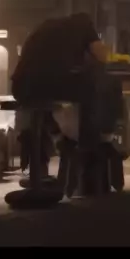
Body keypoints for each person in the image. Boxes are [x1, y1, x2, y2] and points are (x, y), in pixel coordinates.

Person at [11, 13, 110, 189]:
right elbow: (102, 56)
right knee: (94, 88)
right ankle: (87, 149)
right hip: (52, 83)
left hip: (21, 86)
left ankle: (40, 167)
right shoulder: (83, 24)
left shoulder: (46, 25)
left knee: (40, 113)